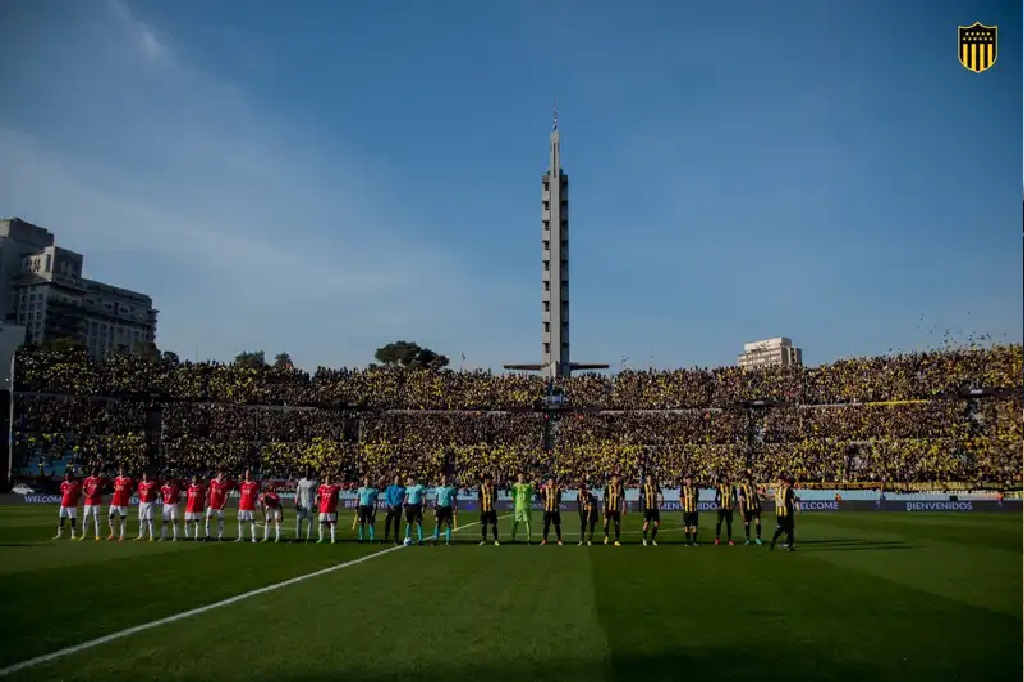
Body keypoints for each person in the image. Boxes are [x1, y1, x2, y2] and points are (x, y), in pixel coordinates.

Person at [770, 475, 796, 551]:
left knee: (785, 528)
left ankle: (787, 544)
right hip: (788, 512)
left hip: (781, 512)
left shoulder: (778, 490)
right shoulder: (788, 490)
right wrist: (795, 500)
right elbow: (791, 500)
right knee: (787, 528)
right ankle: (776, 539)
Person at [107, 467, 133, 541]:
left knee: (122, 519)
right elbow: (115, 489)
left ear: (125, 472)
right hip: (114, 502)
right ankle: (112, 534)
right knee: (111, 517)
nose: (121, 472)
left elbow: (131, 492)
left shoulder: (128, 480)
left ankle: (122, 536)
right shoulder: (116, 479)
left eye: (123, 471)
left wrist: (125, 496)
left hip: (123, 504)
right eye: (120, 471)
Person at [205, 471, 231, 541]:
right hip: (211, 505)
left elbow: (227, 495)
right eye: (220, 475)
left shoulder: (225, 484)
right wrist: (207, 500)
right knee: (208, 520)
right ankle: (208, 536)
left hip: (220, 507)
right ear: (217, 475)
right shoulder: (212, 481)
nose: (222, 476)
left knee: (221, 522)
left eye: (223, 475)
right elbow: (209, 492)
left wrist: (224, 504)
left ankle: (221, 536)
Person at [54, 472, 81, 540]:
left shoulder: (76, 484)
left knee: (73, 520)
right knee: (61, 519)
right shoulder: (63, 484)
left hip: (72, 505)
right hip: (63, 505)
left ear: (71, 476)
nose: (66, 477)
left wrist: (75, 500)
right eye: (66, 476)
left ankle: (73, 535)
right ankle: (59, 535)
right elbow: (62, 491)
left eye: (68, 476)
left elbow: (79, 494)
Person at [509, 472, 534, 544]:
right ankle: (513, 538)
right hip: (518, 507)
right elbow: (512, 495)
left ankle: (529, 539)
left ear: (524, 477)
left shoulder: (528, 485)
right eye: (520, 477)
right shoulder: (515, 486)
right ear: (518, 477)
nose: (521, 478)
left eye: (522, 477)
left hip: (526, 507)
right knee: (515, 523)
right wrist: (512, 497)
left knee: (528, 523)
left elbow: (531, 493)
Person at [432, 474, 457, 546]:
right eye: (443, 478)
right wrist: (434, 508)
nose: (445, 480)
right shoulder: (438, 489)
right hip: (440, 508)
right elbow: (436, 499)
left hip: (447, 508)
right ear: (441, 480)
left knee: (448, 524)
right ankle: (435, 539)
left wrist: (455, 507)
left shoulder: (451, 489)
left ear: (447, 480)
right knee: (437, 524)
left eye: (446, 478)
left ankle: (447, 541)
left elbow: (455, 498)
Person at [79, 469, 104, 541]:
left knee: (97, 519)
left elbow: (102, 490)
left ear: (96, 473)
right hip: (88, 502)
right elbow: (83, 491)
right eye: (92, 472)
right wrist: (87, 495)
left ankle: (97, 536)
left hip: (97, 502)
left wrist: (96, 493)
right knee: (85, 518)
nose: (93, 474)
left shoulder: (100, 480)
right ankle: (84, 535)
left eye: (94, 472)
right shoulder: (87, 480)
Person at [738, 473, 763, 546]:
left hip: (755, 507)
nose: (747, 481)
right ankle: (748, 539)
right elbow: (740, 498)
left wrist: (760, 492)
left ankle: (758, 538)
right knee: (747, 523)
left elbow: (759, 493)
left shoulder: (754, 486)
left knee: (758, 522)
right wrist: (741, 509)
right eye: (746, 479)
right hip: (747, 508)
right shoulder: (742, 488)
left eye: (748, 479)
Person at [237, 470, 261, 543]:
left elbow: (257, 495)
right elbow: (241, 494)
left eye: (249, 474)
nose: (248, 475)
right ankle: (240, 537)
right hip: (242, 506)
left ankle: (254, 538)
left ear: (251, 475)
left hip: (250, 506)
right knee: (241, 521)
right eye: (247, 473)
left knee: (253, 522)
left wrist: (256, 503)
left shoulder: (254, 484)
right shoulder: (242, 484)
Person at [639, 473, 663, 547]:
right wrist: (640, 507)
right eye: (649, 477)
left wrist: (662, 500)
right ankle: (644, 539)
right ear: (647, 478)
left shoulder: (656, 486)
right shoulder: (644, 486)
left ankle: (653, 539)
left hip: (655, 508)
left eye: (651, 477)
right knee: (646, 524)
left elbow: (660, 494)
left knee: (657, 524)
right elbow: (641, 497)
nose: (650, 479)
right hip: (647, 508)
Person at [316, 476, 341, 544]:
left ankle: (332, 539)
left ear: (331, 480)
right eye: (326, 479)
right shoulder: (321, 488)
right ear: (324, 480)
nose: (327, 480)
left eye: (329, 479)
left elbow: (337, 497)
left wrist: (336, 505)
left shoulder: (334, 488)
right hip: (323, 509)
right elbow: (318, 498)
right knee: (321, 524)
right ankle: (321, 538)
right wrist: (318, 507)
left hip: (331, 509)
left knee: (332, 524)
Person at [294, 470, 317, 543]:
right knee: (299, 520)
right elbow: (298, 493)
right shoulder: (301, 482)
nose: (307, 474)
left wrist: (315, 503)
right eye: (306, 472)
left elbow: (315, 494)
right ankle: (298, 537)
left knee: (310, 521)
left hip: (309, 504)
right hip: (302, 504)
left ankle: (308, 538)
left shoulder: (313, 483)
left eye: (308, 472)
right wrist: (296, 502)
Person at [383, 474, 406, 545]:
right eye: (396, 479)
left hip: (397, 507)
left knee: (397, 523)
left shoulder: (402, 489)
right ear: (394, 480)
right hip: (390, 507)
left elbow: (402, 499)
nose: (397, 480)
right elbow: (387, 497)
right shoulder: (389, 488)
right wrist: (390, 504)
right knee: (387, 521)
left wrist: (395, 504)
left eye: (398, 479)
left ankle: (396, 540)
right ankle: (386, 537)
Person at [403, 475, 426, 545]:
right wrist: (404, 506)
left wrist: (424, 506)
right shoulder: (408, 488)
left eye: (408, 480)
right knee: (409, 523)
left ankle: (420, 539)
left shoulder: (420, 487)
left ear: (412, 480)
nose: (407, 481)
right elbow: (406, 498)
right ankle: (408, 538)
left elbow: (423, 497)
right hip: (409, 506)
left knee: (418, 523)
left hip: (417, 506)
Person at [714, 475, 737, 546]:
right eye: (724, 479)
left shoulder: (732, 487)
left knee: (729, 524)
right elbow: (716, 497)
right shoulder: (719, 487)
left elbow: (735, 498)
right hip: (721, 509)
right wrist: (718, 505)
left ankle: (730, 539)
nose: (725, 480)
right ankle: (717, 539)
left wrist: (733, 506)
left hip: (728, 509)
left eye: (726, 479)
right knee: (719, 523)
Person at [603, 473, 624, 546]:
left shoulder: (620, 488)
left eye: (617, 478)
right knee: (606, 523)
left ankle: (616, 540)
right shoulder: (607, 487)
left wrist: (623, 508)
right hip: (608, 508)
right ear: (612, 479)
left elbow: (622, 498)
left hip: (616, 509)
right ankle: (607, 535)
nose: (617, 480)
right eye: (615, 478)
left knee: (617, 524)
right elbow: (604, 498)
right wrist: (603, 507)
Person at [356, 476, 379, 544]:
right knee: (361, 523)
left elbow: (375, 500)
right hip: (362, 507)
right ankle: (361, 538)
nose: (367, 482)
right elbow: (357, 499)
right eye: (366, 481)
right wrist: (356, 507)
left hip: (370, 507)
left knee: (371, 523)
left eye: (368, 481)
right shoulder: (360, 489)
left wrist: (374, 509)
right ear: (363, 482)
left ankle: (372, 539)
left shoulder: (373, 490)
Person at [540, 477, 563, 546]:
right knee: (546, 526)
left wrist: (555, 505)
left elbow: (559, 498)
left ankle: (559, 540)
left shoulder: (557, 489)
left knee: (557, 525)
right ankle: (544, 540)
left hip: (555, 510)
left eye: (553, 481)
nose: (551, 482)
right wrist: (546, 505)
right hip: (547, 510)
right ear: (548, 482)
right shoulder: (544, 488)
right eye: (550, 481)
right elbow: (543, 498)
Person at [478, 473, 499, 545]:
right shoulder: (481, 486)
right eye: (486, 479)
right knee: (484, 525)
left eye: (488, 479)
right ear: (484, 480)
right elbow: (479, 496)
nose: (487, 480)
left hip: (492, 509)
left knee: (493, 525)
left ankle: (496, 540)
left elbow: (496, 496)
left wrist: (492, 503)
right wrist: (482, 503)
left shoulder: (493, 486)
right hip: (484, 509)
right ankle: (484, 540)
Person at [136, 472, 158, 541]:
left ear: (149, 476)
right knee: (141, 520)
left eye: (147, 475)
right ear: (143, 476)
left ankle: (152, 536)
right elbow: (139, 494)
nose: (145, 477)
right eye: (144, 476)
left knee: (150, 520)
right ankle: (141, 535)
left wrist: (152, 501)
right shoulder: (140, 484)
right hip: (142, 503)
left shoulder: (152, 484)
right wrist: (140, 501)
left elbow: (155, 494)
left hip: (149, 503)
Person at [680, 474, 700, 546]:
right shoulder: (683, 488)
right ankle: (688, 542)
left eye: (690, 480)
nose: (689, 481)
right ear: (686, 480)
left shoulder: (695, 488)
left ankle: (694, 542)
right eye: (688, 479)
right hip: (686, 510)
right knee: (686, 526)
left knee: (694, 526)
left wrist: (695, 506)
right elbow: (681, 497)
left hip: (694, 510)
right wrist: (682, 505)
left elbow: (697, 498)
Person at [159, 476, 181, 541]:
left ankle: (175, 537)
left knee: (174, 521)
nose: (168, 482)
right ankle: (163, 536)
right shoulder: (163, 488)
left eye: (169, 481)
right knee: (165, 521)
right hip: (166, 505)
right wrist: (164, 502)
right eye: (167, 481)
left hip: (173, 505)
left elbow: (178, 496)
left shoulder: (175, 487)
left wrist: (177, 503)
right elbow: (162, 495)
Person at [184, 475, 205, 540]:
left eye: (196, 478)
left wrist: (202, 505)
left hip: (197, 508)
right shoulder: (189, 487)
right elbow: (186, 497)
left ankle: (197, 536)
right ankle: (187, 536)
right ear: (192, 479)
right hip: (189, 507)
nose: (195, 479)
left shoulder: (201, 487)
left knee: (197, 522)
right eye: (194, 478)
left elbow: (203, 497)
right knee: (187, 522)